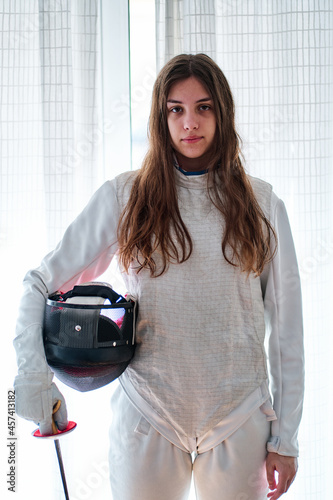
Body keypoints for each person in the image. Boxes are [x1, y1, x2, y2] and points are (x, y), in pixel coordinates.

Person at [13, 53, 304, 500]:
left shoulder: (262, 204)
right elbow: (39, 282)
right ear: (161, 116)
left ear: (222, 113)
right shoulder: (125, 197)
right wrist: (33, 379)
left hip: (240, 416)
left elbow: (287, 333)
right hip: (148, 416)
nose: (191, 122)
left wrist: (285, 439)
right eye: (177, 109)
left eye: (204, 107)